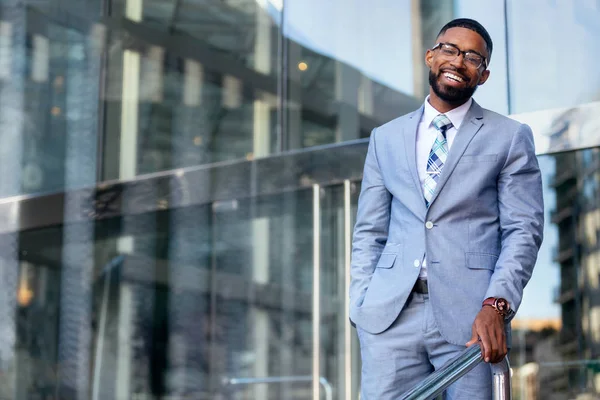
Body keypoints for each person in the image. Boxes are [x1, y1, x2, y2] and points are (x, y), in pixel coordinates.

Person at [349, 18, 544, 399]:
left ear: (483, 75)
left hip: (471, 318)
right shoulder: (385, 138)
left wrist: (496, 305)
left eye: (473, 57)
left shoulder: (509, 136)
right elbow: (369, 231)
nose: (458, 61)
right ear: (431, 56)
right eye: (450, 50)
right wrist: (361, 305)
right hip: (389, 317)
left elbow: (524, 230)